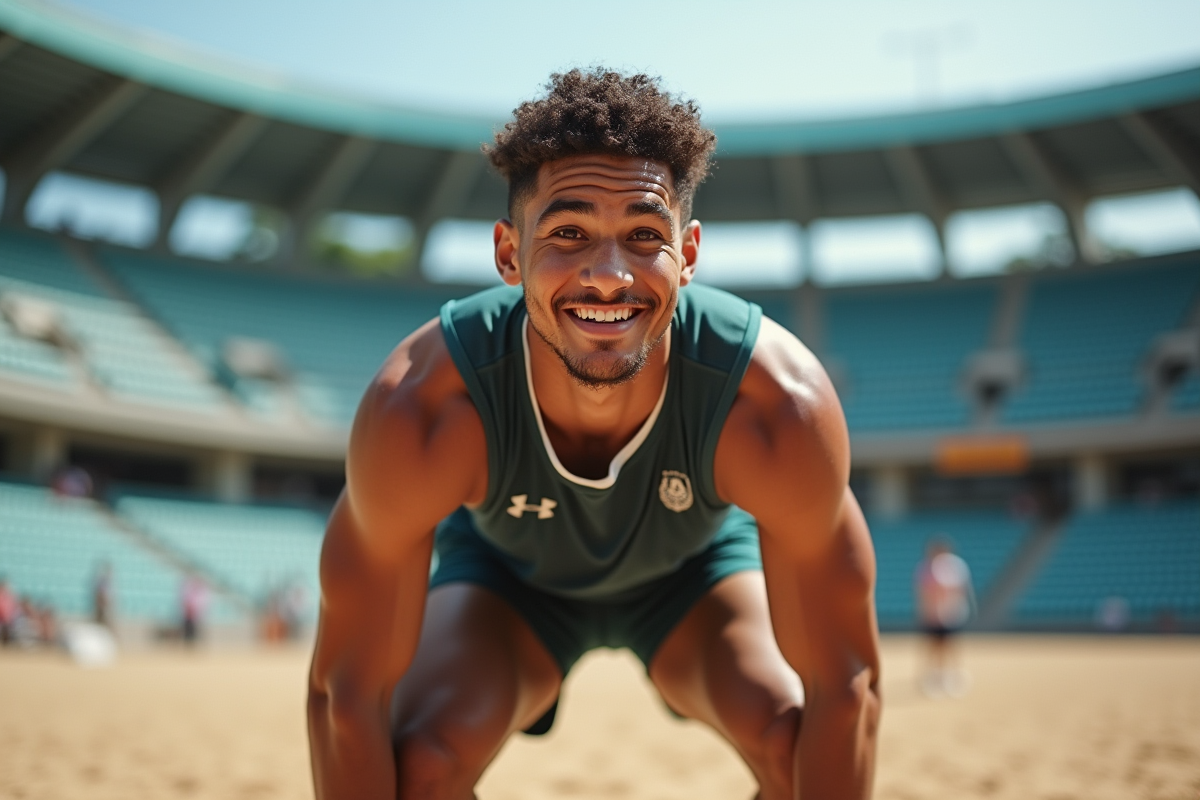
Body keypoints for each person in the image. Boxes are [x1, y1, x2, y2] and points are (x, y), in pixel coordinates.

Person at [308, 69, 881, 800]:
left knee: (790, 739)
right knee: (422, 764)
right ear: (509, 253)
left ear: (690, 254)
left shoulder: (775, 405)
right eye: (568, 232)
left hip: (693, 577)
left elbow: (848, 685)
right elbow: (343, 696)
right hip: (510, 582)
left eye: (644, 235)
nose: (608, 275)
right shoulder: (423, 406)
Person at [914, 538, 974, 697]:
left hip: (951, 615)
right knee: (933, 647)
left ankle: (951, 675)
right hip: (933, 616)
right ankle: (932, 676)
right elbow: (923, 595)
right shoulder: (926, 568)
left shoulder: (956, 566)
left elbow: (961, 592)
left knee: (951, 646)